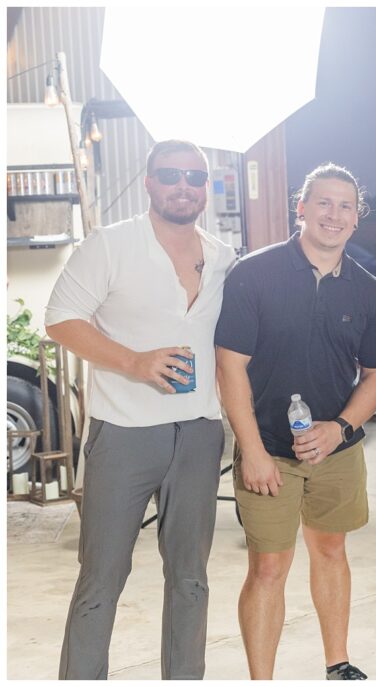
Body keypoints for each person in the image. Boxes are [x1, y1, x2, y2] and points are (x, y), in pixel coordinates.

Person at [45, 140, 236, 679]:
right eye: (170, 174)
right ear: (149, 182)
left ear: (205, 188)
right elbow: (60, 318)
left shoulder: (222, 258)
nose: (183, 185)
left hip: (199, 433)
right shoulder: (111, 244)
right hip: (124, 433)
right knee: (101, 577)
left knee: (191, 578)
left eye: (194, 177)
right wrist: (133, 362)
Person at [215, 163, 376, 680]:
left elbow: (375, 377)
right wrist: (253, 452)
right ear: (302, 209)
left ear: (356, 219)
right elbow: (230, 367)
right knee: (269, 566)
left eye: (345, 206)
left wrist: (340, 428)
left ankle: (337, 663)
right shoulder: (254, 274)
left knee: (331, 550)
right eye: (323, 203)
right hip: (268, 448)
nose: (333, 215)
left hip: (335, 451)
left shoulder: (368, 292)